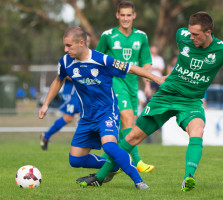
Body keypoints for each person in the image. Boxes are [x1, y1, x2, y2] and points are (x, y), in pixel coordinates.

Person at [78, 11, 223, 191]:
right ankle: (101, 176)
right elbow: (182, 33)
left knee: (198, 130)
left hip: (191, 101)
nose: (191, 37)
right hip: (166, 96)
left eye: (196, 34)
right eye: (190, 33)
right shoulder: (182, 34)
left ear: (208, 33)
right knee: (133, 136)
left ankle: (188, 178)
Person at [38, 27, 164, 189]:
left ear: (81, 43)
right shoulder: (65, 61)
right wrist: (46, 103)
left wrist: (156, 78)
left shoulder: (102, 60)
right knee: (75, 160)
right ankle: (115, 164)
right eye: (65, 45)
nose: (65, 49)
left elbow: (131, 68)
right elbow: (58, 80)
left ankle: (138, 181)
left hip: (107, 113)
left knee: (110, 146)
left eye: (69, 46)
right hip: (86, 117)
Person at [95, 1, 154, 173]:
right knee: (128, 119)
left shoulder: (142, 36)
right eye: (123, 15)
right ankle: (137, 162)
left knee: (128, 126)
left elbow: (146, 62)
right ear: (117, 15)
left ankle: (107, 162)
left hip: (132, 84)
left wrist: (147, 82)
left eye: (129, 15)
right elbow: (97, 59)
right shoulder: (107, 36)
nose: (126, 18)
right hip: (115, 82)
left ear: (134, 16)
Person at [40, 34, 92, 150]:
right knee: (68, 118)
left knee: (83, 116)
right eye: (85, 40)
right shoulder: (69, 57)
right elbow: (63, 76)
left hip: (84, 94)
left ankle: (83, 143)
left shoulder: (90, 57)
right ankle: (46, 136)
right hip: (72, 93)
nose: (86, 43)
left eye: (88, 41)